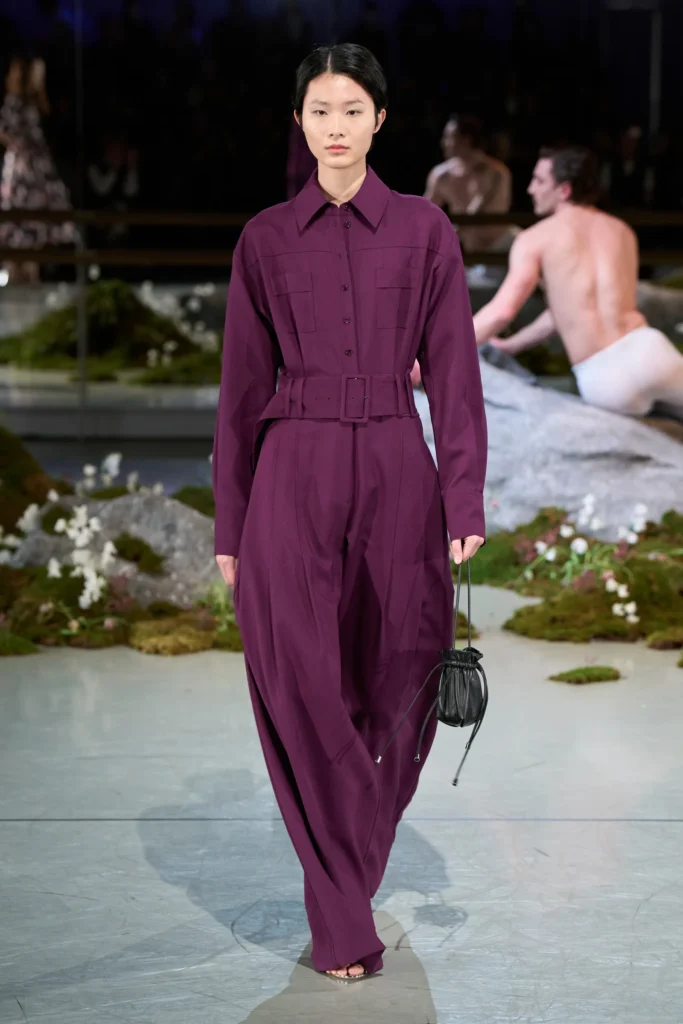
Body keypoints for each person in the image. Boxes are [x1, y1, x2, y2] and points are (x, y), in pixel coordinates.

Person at [212, 43, 487, 983]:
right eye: (319, 110)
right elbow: (238, 394)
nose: (335, 126)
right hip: (291, 470)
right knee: (299, 687)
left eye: (352, 109)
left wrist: (463, 495)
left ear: (380, 120)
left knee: (403, 683)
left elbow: (454, 374)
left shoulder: (425, 230)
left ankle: (349, 865)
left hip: (398, 468)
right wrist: (230, 525)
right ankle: (340, 913)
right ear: (299, 123)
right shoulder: (263, 239)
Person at [473, 146, 683, 421]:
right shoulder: (622, 231)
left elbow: (501, 312)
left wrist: (436, 350)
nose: (530, 189)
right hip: (651, 351)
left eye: (539, 181)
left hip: (604, 374)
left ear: (564, 190)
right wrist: (511, 345)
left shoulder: (534, 238)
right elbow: (566, 311)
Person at [0, 55, 77, 284]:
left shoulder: (27, 103)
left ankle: (28, 277)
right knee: (19, 235)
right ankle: (20, 277)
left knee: (27, 234)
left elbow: (14, 130)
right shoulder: (19, 103)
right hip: (24, 174)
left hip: (30, 176)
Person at [424, 114, 514, 255]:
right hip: (467, 249)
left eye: (449, 137)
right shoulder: (441, 176)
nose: (444, 143)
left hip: (501, 245)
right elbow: (426, 214)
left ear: (466, 139)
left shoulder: (496, 173)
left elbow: (476, 212)